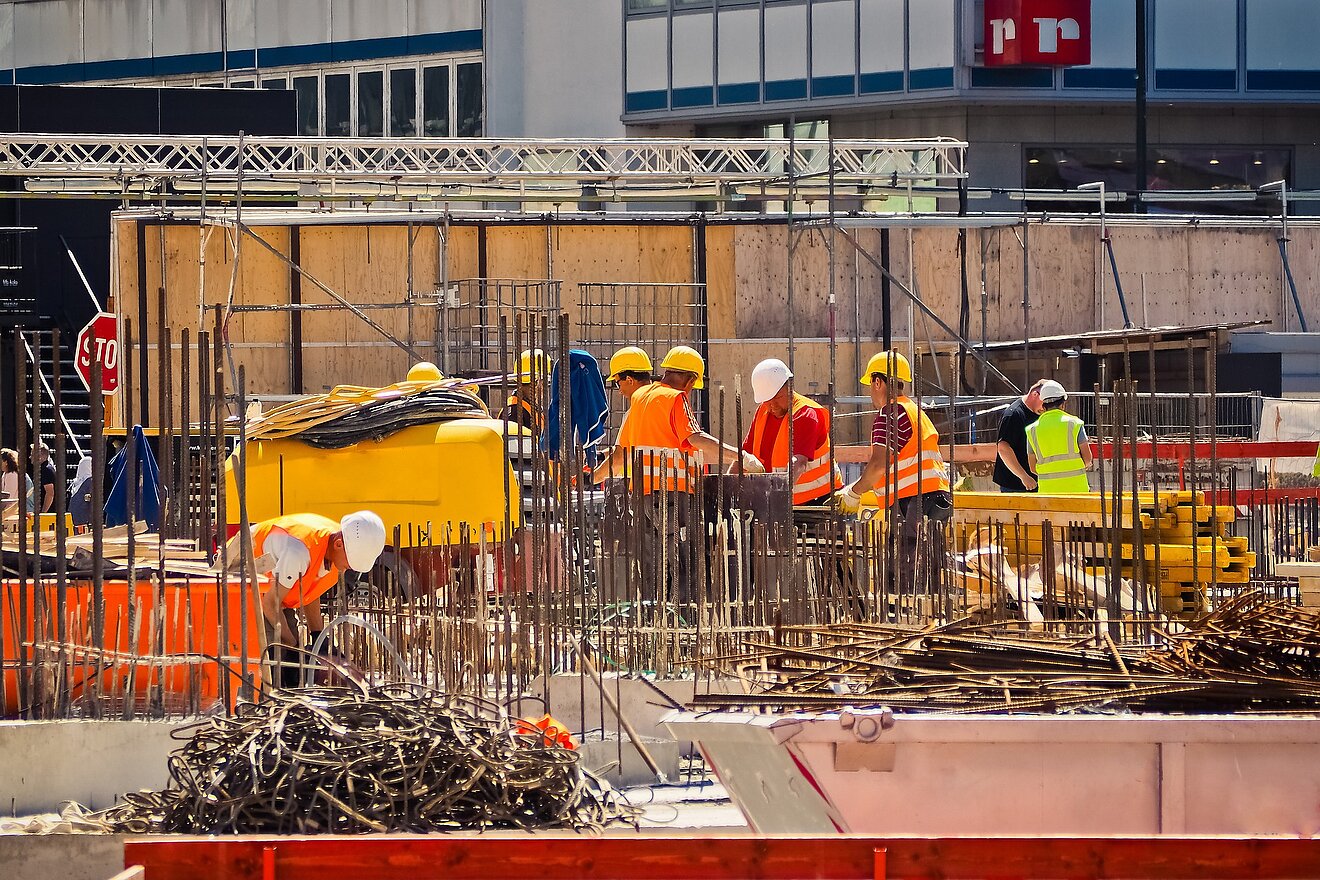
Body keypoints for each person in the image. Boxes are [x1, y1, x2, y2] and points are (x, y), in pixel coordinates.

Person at [591, 345, 761, 603]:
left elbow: (621, 454)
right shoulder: (675, 398)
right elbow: (696, 438)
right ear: (690, 379)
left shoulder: (639, 398)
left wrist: (592, 478)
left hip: (644, 497)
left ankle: (654, 620)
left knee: (653, 565)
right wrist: (741, 456)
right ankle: (683, 623)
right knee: (684, 562)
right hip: (673, 495)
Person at [228, 511, 386, 688]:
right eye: (350, 563)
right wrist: (293, 645)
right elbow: (270, 604)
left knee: (292, 660)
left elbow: (310, 592)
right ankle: (265, 702)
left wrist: (319, 636)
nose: (349, 569)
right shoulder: (299, 551)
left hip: (274, 592)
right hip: (240, 581)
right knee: (276, 655)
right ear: (339, 544)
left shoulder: (333, 549)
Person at [835, 350, 952, 590]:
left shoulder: (891, 413)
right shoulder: (913, 411)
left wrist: (854, 493)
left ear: (878, 382)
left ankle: (909, 622)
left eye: (871, 384)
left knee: (906, 573)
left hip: (915, 501)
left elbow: (879, 464)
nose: (870, 392)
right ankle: (925, 620)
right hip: (933, 498)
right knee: (925, 570)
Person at [743, 357, 842, 505]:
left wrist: (779, 494)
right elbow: (744, 455)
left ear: (790, 387)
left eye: (777, 398)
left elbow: (799, 463)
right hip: (780, 502)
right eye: (767, 401)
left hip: (819, 503)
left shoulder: (806, 414)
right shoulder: (763, 412)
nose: (773, 406)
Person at [1025, 380, 1093, 494]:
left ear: (1043, 405)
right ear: (1063, 403)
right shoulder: (1074, 424)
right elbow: (1087, 458)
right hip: (1077, 489)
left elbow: (1033, 467)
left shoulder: (1032, 430)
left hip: (1048, 492)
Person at [993, 379, 1047, 493]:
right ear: (1035, 394)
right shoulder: (1013, 414)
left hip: (1035, 482)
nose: (1045, 407)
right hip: (1015, 485)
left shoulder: (1038, 414)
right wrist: (1023, 476)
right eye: (1044, 401)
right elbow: (1003, 448)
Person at [498, 349, 550, 438]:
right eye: (545, 381)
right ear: (537, 382)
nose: (546, 387)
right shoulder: (515, 412)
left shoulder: (531, 407)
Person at [0, 448, 36, 519]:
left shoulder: (12, 475)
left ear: (6, 462)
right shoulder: (6, 474)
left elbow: (10, 499)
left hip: (24, 512)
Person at [32, 443, 57, 513]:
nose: (30, 457)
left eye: (32, 454)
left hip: (48, 514)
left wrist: (43, 513)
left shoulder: (45, 471)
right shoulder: (46, 469)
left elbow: (50, 493)